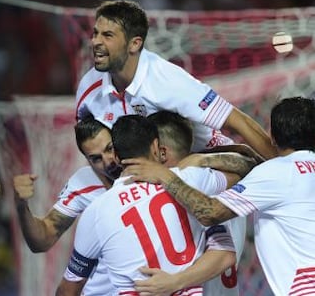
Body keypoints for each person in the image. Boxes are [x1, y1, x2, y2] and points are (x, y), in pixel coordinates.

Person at [121, 96, 315, 296]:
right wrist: (203, 159)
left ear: (272, 137)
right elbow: (251, 165)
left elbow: (210, 213)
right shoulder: (274, 174)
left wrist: (166, 176)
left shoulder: (275, 173)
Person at [55, 114, 255, 296]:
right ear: (155, 147)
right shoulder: (193, 180)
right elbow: (245, 171)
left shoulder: (95, 213)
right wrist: (196, 160)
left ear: (116, 156)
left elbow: (67, 291)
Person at [75, 0, 277, 159]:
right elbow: (91, 149)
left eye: (107, 35)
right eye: (95, 34)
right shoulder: (88, 88)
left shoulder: (168, 81)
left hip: (206, 163)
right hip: (146, 173)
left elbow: (238, 121)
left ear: (134, 44)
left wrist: (283, 167)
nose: (95, 42)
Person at [14, 116, 121, 295]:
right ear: (87, 160)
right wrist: (21, 205)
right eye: (96, 158)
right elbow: (42, 240)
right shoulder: (82, 183)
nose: (108, 161)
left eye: (110, 148)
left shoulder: (146, 168)